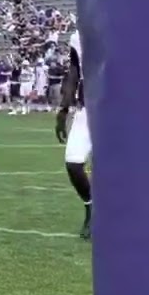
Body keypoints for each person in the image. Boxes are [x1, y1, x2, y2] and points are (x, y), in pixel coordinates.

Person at [56, 28, 92, 240]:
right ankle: (91, 209)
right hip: (88, 109)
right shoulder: (79, 35)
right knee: (73, 162)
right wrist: (63, 109)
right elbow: (74, 71)